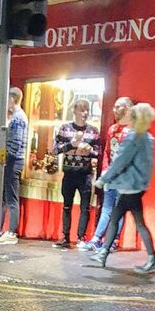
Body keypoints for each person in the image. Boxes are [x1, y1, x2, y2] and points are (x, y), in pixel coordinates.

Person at [89, 103, 155, 274]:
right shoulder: (148, 138)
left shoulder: (133, 137)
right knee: (126, 220)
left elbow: (120, 161)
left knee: (122, 220)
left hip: (129, 186)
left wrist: (103, 179)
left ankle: (151, 259)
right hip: (138, 186)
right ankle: (105, 253)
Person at [52, 98, 101, 250]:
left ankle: (81, 238)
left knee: (85, 207)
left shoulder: (93, 131)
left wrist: (88, 150)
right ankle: (65, 237)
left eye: (87, 110)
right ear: (74, 111)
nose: (85, 113)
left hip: (85, 174)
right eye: (81, 110)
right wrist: (71, 145)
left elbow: (98, 152)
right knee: (67, 205)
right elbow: (55, 149)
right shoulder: (65, 128)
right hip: (69, 172)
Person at [85, 97, 133, 251]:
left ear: (127, 109)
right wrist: (105, 170)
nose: (114, 110)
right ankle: (96, 238)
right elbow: (107, 151)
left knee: (118, 209)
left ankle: (113, 241)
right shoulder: (112, 129)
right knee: (106, 207)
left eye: (118, 107)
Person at [0, 87, 28, 245]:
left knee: (11, 197)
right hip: (14, 160)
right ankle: (6, 230)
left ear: (12, 99)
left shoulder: (17, 118)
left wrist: (4, 159)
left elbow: (15, 144)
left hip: (13, 161)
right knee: (9, 196)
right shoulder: (18, 117)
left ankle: (11, 232)